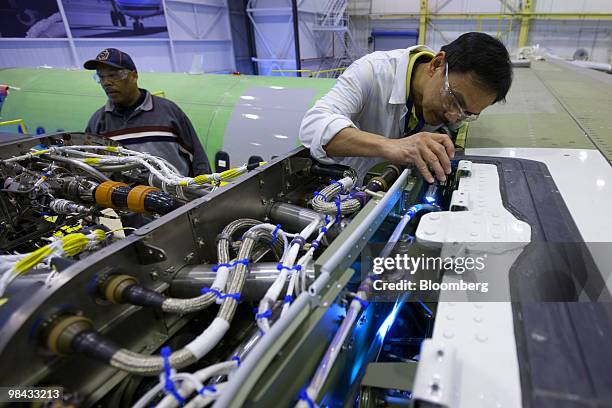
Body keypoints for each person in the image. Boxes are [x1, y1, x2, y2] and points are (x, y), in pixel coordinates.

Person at [300, 32, 513, 184]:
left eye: (468, 113)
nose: (452, 116)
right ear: (437, 64)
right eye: (454, 99)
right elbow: (313, 127)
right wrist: (391, 146)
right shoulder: (373, 71)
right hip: (345, 188)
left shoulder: (451, 110)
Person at [84, 48, 210, 177]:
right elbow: (91, 168)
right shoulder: (98, 122)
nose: (106, 83)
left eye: (113, 75)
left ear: (134, 76)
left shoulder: (168, 112)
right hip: (126, 197)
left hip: (178, 196)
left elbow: (198, 159)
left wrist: (206, 191)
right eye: (101, 77)